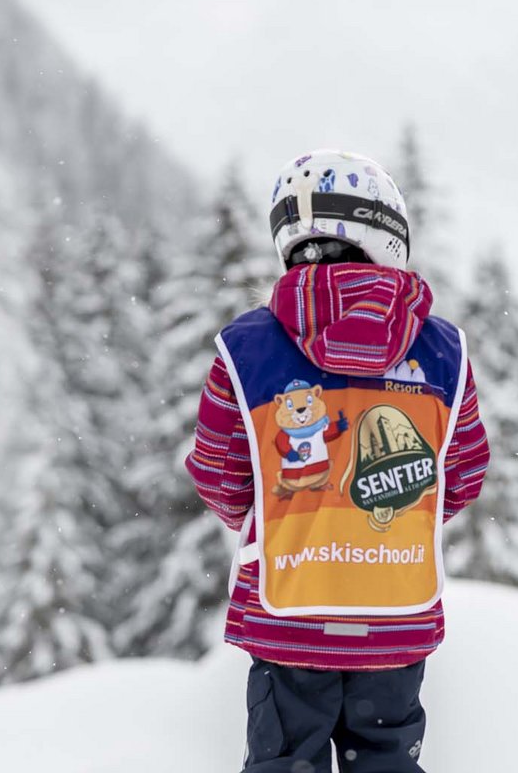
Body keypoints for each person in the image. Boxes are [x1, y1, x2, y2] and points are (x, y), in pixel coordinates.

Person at [186, 149, 491, 773]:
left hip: (288, 612)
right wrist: (391, 523)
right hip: (397, 613)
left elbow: (216, 470)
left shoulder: (246, 347)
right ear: (386, 233)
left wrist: (288, 518)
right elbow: (462, 474)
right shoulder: (443, 351)